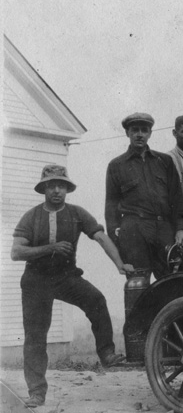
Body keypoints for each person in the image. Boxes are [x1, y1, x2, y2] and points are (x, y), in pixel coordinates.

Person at [11, 165, 134, 408]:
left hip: (66, 277)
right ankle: (36, 392)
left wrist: (120, 264)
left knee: (96, 299)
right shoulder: (32, 216)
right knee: (35, 336)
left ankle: (107, 353)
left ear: (67, 188)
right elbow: (16, 252)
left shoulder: (77, 213)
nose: (57, 190)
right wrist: (50, 248)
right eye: (52, 185)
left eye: (62, 185)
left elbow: (100, 237)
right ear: (44, 188)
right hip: (36, 280)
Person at [105, 113, 183, 280]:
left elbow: (177, 199)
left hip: (164, 229)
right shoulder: (116, 165)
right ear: (127, 133)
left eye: (144, 130)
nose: (139, 134)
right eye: (135, 130)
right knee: (137, 283)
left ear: (150, 133)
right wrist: (118, 244)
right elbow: (111, 208)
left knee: (172, 280)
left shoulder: (164, 161)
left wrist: (180, 228)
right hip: (134, 231)